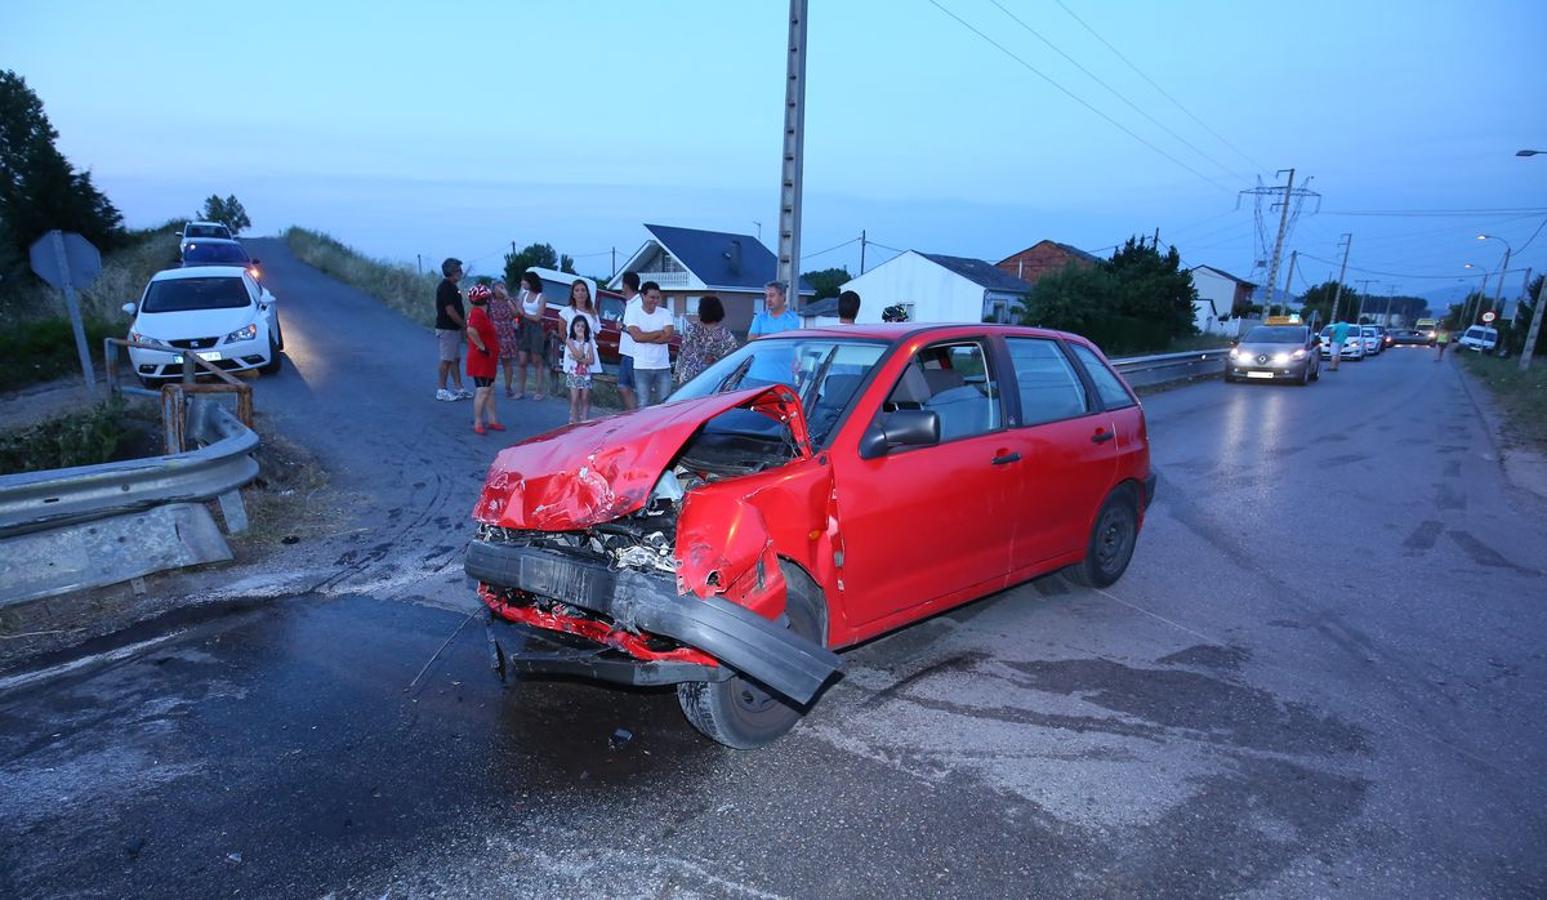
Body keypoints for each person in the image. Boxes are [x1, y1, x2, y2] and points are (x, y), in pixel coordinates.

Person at [624, 281, 675, 406]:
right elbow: (636, 336)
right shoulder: (633, 313)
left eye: (657, 297)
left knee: (665, 404)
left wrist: (645, 336)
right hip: (642, 366)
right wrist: (658, 332)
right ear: (643, 296)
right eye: (652, 297)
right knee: (643, 403)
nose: (655, 301)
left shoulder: (665, 313)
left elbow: (669, 336)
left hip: (663, 366)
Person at [464, 285, 504, 435]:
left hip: (488, 358)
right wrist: (482, 347)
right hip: (482, 358)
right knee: (483, 390)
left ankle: (492, 420)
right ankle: (478, 421)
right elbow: (471, 330)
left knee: (490, 390)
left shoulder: (481, 313)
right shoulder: (477, 314)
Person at [675, 295, 739, 385]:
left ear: (701, 311)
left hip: (687, 381)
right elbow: (732, 360)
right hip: (709, 381)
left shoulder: (691, 329)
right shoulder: (725, 335)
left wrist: (677, 375)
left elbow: (682, 354)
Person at [434, 257, 472, 401]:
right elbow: (450, 310)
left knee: (455, 359)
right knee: (446, 359)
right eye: (459, 270)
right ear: (452, 272)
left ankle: (458, 387)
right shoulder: (445, 287)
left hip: (453, 329)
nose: (461, 272)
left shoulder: (452, 287)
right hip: (447, 328)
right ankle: (441, 389)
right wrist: (463, 325)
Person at [513, 271, 548, 400]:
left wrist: (523, 314)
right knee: (522, 361)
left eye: (525, 281)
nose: (522, 283)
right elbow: (518, 309)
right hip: (523, 327)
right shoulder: (523, 294)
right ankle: (520, 390)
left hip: (535, 329)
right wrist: (520, 312)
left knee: (536, 361)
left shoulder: (541, 297)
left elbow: (538, 317)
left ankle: (539, 390)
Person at [487, 279, 520, 397]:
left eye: (503, 286)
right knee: (492, 362)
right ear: (493, 289)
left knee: (507, 362)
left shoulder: (509, 301)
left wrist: (507, 298)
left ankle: (508, 387)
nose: (501, 289)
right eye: (499, 287)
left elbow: (516, 313)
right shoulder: (489, 301)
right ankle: (489, 386)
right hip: (493, 333)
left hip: (506, 332)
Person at [564, 314, 598, 424]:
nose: (580, 328)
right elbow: (578, 355)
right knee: (574, 399)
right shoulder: (570, 341)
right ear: (573, 327)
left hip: (586, 374)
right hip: (574, 373)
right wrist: (581, 356)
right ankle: (574, 420)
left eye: (582, 326)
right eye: (577, 325)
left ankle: (584, 420)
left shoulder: (589, 344)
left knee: (585, 398)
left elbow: (591, 360)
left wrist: (579, 358)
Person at [615, 271, 642, 409]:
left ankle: (640, 417)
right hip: (626, 352)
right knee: (623, 387)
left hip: (634, 354)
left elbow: (639, 329)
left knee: (637, 389)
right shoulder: (630, 303)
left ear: (626, 285)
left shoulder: (638, 304)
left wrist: (622, 327)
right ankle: (633, 414)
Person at [559, 278, 601, 346]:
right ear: (573, 294)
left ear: (587, 294)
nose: (580, 293)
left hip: (589, 350)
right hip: (572, 349)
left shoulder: (593, 311)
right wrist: (570, 346)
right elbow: (561, 333)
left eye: (583, 290)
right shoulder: (566, 311)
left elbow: (596, 332)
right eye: (577, 290)